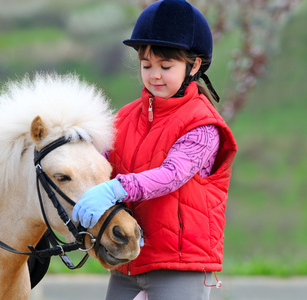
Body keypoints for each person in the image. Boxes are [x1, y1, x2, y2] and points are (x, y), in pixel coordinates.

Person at [72, 1, 237, 299]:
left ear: (194, 65)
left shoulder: (203, 125)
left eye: (166, 66)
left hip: (179, 264)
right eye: (147, 66)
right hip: (128, 260)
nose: (155, 76)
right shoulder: (124, 117)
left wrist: (115, 189)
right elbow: (102, 163)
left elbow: (171, 175)